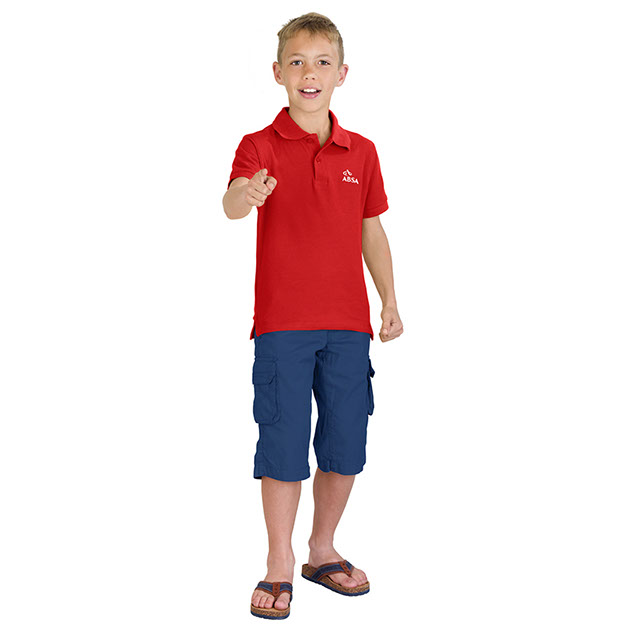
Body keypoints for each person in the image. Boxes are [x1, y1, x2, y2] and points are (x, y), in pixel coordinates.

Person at [222, 12, 403, 620]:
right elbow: (232, 203)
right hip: (282, 325)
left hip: (349, 325)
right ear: (278, 72)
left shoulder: (363, 152)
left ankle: (321, 551)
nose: (309, 72)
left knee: (346, 441)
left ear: (342, 74)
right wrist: (246, 194)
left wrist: (389, 299)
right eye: (297, 61)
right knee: (282, 443)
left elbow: (371, 230)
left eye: (322, 62)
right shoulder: (259, 145)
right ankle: (279, 562)